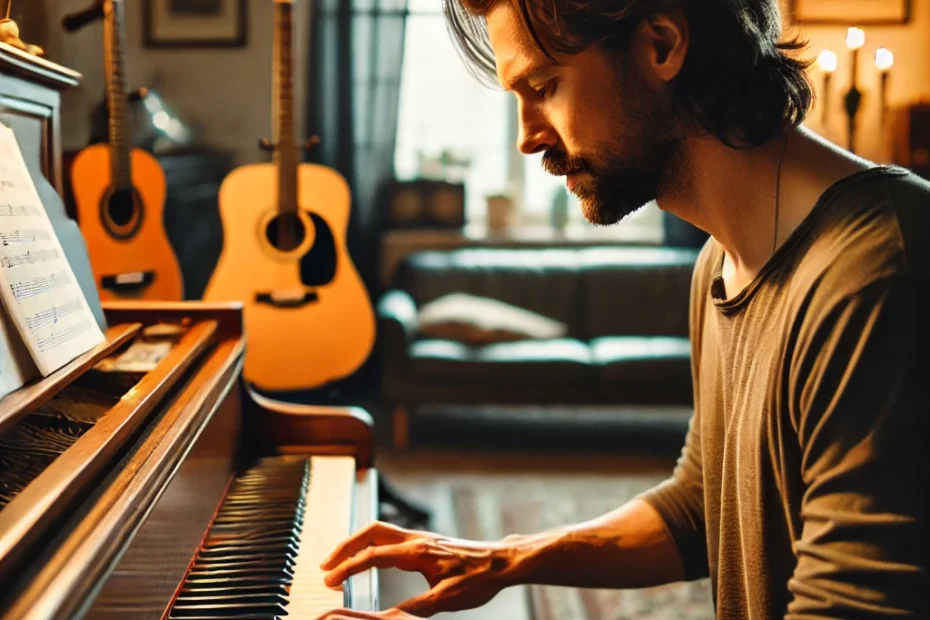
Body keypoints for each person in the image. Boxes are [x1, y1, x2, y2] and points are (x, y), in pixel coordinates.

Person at [313, 0, 930, 616]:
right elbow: (700, 507)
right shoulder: (719, 262)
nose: (527, 137)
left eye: (545, 86)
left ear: (661, 44)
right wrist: (505, 560)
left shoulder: (879, 273)